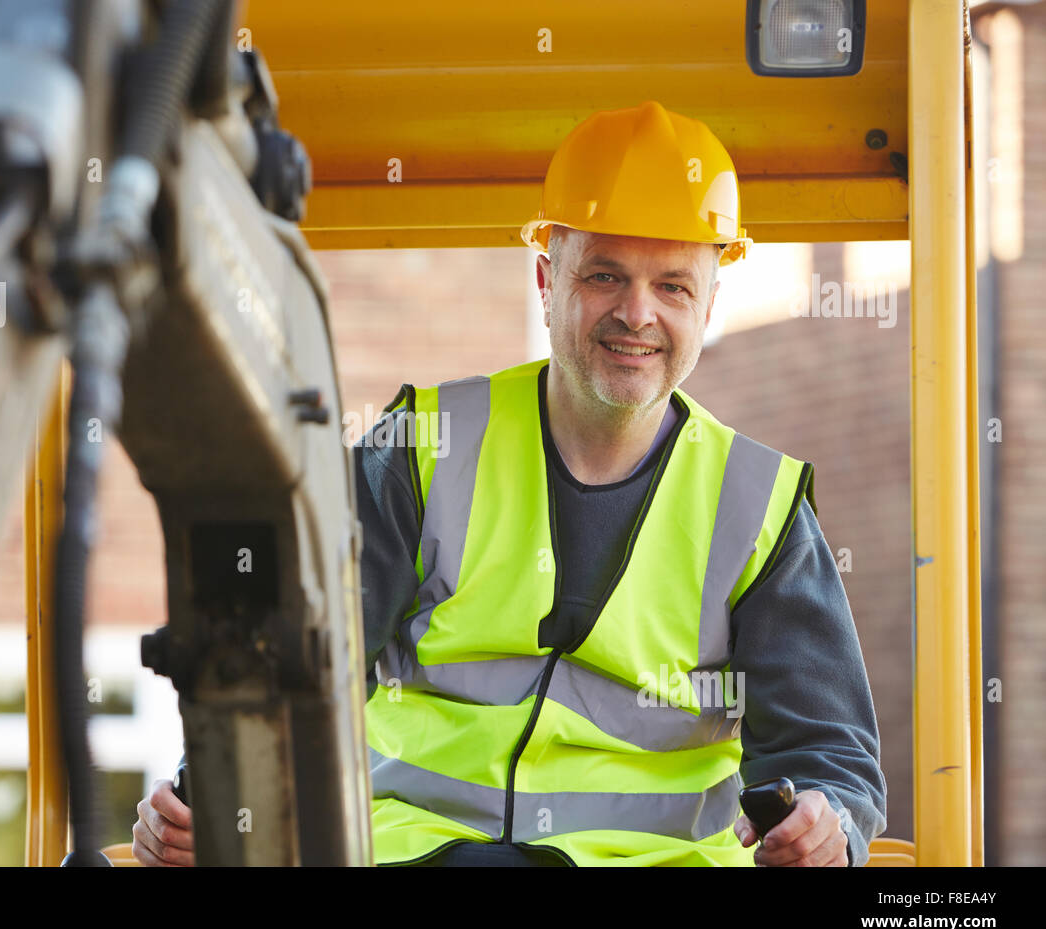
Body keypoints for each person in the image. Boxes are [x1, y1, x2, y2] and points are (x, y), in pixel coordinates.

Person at [134, 101, 887, 867]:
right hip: (419, 853)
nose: (637, 313)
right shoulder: (422, 449)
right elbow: (294, 653)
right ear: (546, 279)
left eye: (673, 287)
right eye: (604, 275)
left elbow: (830, 754)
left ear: (709, 304)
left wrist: (829, 825)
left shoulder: (759, 507)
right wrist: (221, 798)